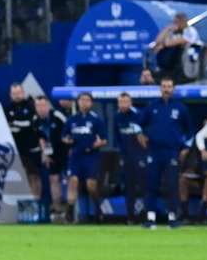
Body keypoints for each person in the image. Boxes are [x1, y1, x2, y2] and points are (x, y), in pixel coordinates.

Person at [136, 77, 194, 228]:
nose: (166, 89)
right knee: (151, 185)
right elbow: (138, 125)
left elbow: (190, 131)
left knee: (172, 185)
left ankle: (173, 218)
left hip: (172, 152)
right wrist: (140, 135)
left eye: (169, 86)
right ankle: (150, 218)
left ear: (174, 89)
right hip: (154, 152)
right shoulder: (151, 107)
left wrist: (186, 148)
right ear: (160, 88)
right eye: (164, 86)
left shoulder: (180, 108)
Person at [61, 92, 107, 224]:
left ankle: (98, 210)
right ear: (78, 102)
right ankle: (69, 212)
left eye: (87, 100)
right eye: (82, 100)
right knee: (73, 181)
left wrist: (99, 143)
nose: (84, 103)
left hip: (91, 155)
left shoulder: (96, 119)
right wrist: (67, 140)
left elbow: (104, 139)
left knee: (91, 186)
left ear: (91, 103)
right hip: (76, 155)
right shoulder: (72, 119)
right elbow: (64, 136)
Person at [6, 83, 43, 203]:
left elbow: (31, 124)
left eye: (19, 93)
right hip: (16, 150)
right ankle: (21, 204)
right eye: (14, 93)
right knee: (20, 177)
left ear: (23, 93)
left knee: (34, 176)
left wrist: (16, 123)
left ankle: (36, 202)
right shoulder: (8, 109)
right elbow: (6, 127)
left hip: (32, 149)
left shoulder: (31, 106)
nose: (17, 96)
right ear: (10, 95)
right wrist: (19, 125)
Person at [114, 91, 148, 224]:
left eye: (125, 102)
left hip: (140, 155)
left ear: (130, 102)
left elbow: (146, 134)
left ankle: (147, 213)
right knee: (129, 186)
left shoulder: (139, 115)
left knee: (144, 185)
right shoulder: (117, 117)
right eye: (120, 103)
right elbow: (117, 136)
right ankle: (130, 216)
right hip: (126, 156)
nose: (123, 105)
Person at [35, 95, 68, 222]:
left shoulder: (58, 116)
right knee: (53, 179)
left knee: (70, 179)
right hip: (52, 154)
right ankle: (57, 208)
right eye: (38, 106)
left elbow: (69, 130)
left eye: (43, 105)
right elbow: (41, 138)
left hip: (65, 152)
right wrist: (46, 155)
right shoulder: (37, 120)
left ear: (48, 105)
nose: (41, 109)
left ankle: (72, 209)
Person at [151, 12, 202, 82]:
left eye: (178, 22)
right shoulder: (173, 31)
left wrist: (163, 45)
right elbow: (158, 41)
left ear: (184, 22)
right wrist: (168, 29)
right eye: (175, 22)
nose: (176, 24)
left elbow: (183, 40)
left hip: (187, 61)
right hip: (170, 63)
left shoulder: (191, 30)